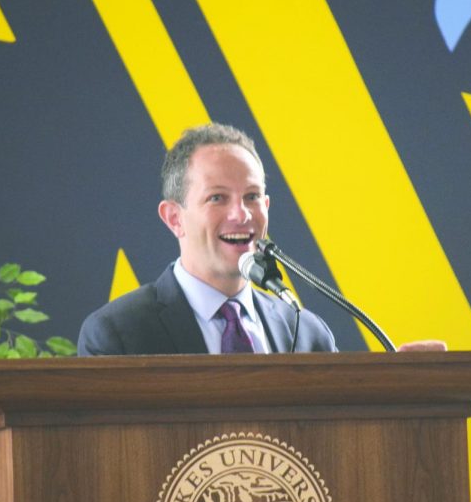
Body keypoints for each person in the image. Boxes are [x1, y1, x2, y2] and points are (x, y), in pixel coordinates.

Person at [78, 123, 445, 355]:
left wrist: (405, 385)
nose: (242, 214)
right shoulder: (119, 336)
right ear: (174, 218)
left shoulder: (306, 334)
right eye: (217, 198)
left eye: (252, 197)